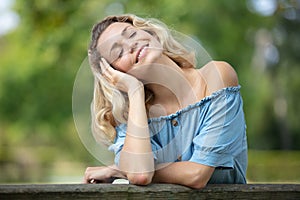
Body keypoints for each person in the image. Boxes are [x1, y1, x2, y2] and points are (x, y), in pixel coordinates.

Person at [83, 14, 247, 189]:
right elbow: (140, 175)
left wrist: (121, 170)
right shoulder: (131, 116)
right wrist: (134, 90)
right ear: (116, 74)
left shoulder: (216, 76)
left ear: (150, 33)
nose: (131, 45)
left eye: (131, 34)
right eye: (119, 52)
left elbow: (198, 175)